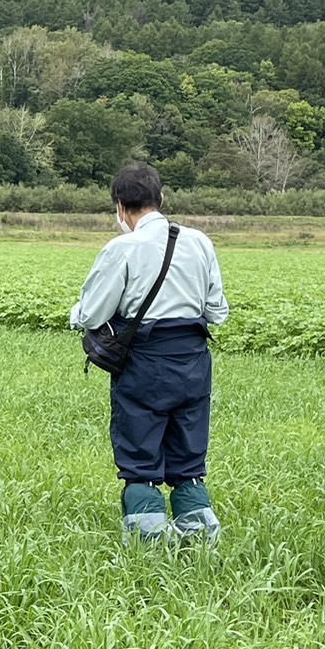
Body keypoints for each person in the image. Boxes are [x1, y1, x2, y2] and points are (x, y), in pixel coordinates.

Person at [70, 164, 229, 541]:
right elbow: (217, 311)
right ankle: (201, 534)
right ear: (162, 199)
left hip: (144, 361)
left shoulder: (123, 248)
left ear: (121, 207)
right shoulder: (200, 241)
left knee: (140, 448)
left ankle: (149, 540)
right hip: (194, 359)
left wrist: (77, 315)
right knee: (189, 453)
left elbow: (92, 313)